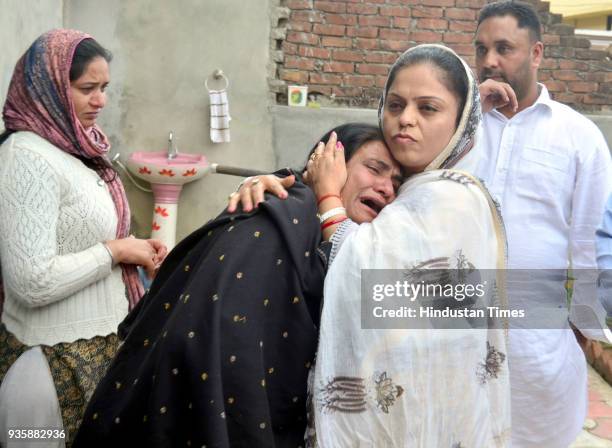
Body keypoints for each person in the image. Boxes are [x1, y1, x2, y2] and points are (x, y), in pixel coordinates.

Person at [233, 44, 511, 447]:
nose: (406, 120)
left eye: (428, 108)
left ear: (461, 121)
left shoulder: (451, 197)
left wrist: (327, 197)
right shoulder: (408, 187)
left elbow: (371, 278)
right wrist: (273, 187)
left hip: (421, 411)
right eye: (395, 104)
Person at [73, 123, 401, 448]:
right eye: (375, 169)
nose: (387, 188)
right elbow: (212, 333)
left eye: (399, 184)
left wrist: (329, 201)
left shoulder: (402, 255)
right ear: (329, 161)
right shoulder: (279, 215)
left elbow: (409, 302)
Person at [0, 29, 167, 446]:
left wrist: (134, 248)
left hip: (95, 354)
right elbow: (31, 279)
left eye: (105, 88)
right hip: (43, 373)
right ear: (50, 88)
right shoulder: (27, 156)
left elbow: (81, 235)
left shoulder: (77, 149)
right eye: (87, 88)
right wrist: (114, 251)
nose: (101, 101)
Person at [473, 2, 612, 446]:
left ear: (536, 54)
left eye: (503, 48)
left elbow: (590, 239)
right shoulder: (458, 126)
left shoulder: (577, 136)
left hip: (537, 343)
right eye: (481, 49)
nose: (490, 60)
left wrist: (590, 328)